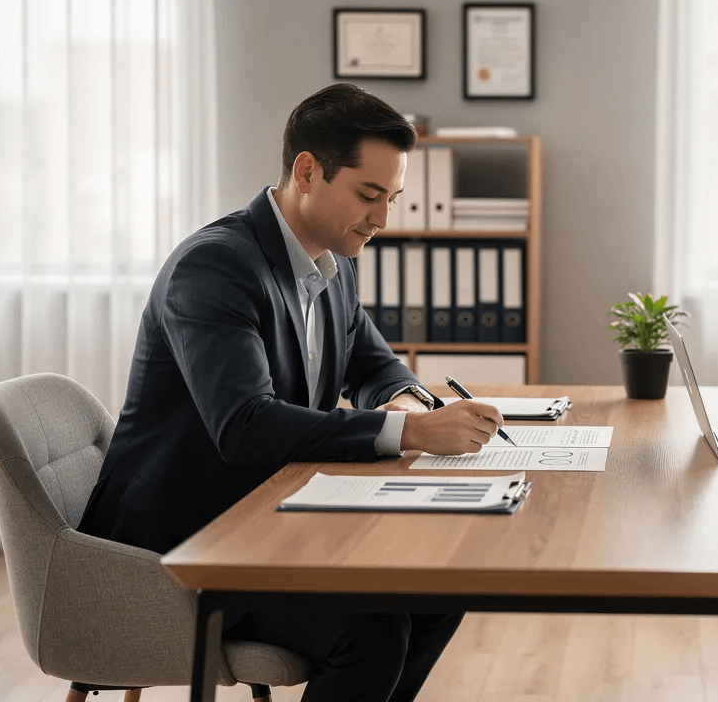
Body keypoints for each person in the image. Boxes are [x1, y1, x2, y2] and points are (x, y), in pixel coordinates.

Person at [79, 83, 503, 701]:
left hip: (265, 525)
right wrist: (411, 433)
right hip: (179, 550)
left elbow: (377, 366)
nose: (382, 220)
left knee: (437, 593)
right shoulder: (216, 268)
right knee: (372, 630)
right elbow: (245, 425)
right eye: (368, 195)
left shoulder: (332, 264)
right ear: (307, 172)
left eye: (392, 198)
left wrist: (407, 402)